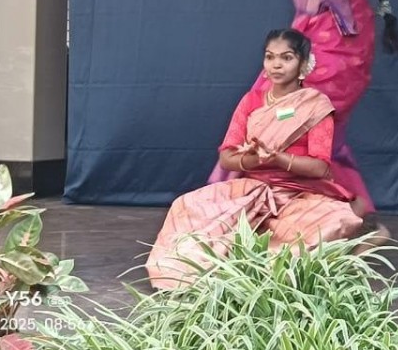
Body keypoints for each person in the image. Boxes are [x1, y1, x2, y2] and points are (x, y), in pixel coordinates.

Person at [197, 0, 398, 241]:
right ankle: (242, 213)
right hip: (304, 40)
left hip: (341, 48)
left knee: (310, 120)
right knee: (268, 114)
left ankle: (352, 218)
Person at [146, 29, 365, 290]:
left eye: (286, 58)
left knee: (333, 221)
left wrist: (278, 158)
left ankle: (272, 272)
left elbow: (320, 167)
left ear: (304, 64)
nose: (276, 65)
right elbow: (227, 157)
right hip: (253, 191)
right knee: (186, 206)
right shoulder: (251, 101)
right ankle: (198, 275)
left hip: (300, 195)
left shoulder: (315, 106)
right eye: (270, 57)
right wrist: (254, 159)